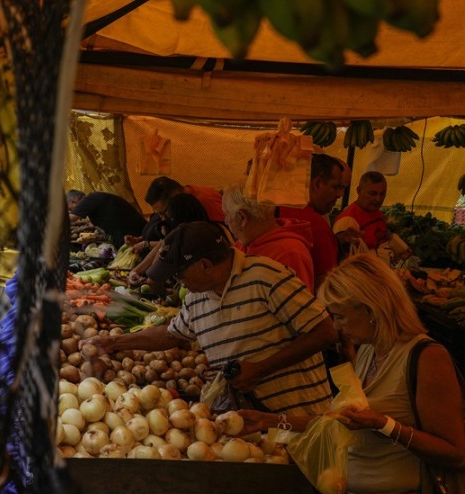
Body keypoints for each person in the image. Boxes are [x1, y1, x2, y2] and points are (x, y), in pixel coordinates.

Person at [243, 254, 465, 494]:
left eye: (340, 316)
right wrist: (270, 421)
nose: (335, 327)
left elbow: (454, 451)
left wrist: (385, 425)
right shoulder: (368, 353)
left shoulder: (427, 357)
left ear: (371, 308)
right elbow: (337, 423)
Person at [88, 221, 336, 416]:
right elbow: (170, 334)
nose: (178, 282)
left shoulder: (266, 276)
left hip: (299, 418)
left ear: (205, 265)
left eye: (179, 274)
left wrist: (261, 369)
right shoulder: (197, 297)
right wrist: (114, 343)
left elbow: (325, 332)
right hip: (251, 419)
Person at [222, 186, 315, 291]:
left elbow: (298, 305)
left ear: (242, 217)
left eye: (227, 215)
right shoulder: (241, 245)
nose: (226, 221)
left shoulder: (289, 253)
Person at [278, 153, 345, 290]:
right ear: (317, 183)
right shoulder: (317, 226)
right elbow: (327, 285)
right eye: (335, 187)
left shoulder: (277, 209)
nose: (339, 195)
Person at [333, 171, 390, 251]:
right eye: (373, 194)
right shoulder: (348, 221)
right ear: (359, 191)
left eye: (382, 194)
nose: (378, 199)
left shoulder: (377, 213)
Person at [70, 191, 146, 247]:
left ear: (73, 201)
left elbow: (70, 218)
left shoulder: (89, 199)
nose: (72, 211)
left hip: (135, 238)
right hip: (133, 237)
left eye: (70, 209)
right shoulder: (94, 200)